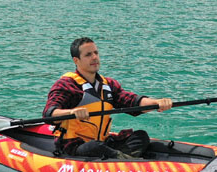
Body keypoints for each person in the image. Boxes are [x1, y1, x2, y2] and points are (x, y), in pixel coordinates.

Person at [43, 37, 173, 159]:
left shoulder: (108, 85)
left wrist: (156, 102)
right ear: (76, 60)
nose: (94, 57)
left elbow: (131, 101)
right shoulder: (66, 85)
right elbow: (49, 113)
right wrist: (71, 112)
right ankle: (124, 160)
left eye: (96, 53)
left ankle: (119, 158)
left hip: (102, 142)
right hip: (75, 145)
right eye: (88, 55)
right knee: (94, 147)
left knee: (141, 136)